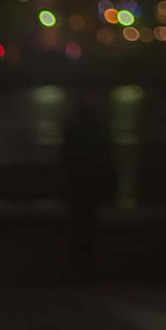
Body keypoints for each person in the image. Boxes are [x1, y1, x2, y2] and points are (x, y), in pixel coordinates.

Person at [61, 97, 117, 272]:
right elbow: (106, 159)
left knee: (77, 221)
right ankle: (86, 256)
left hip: (77, 184)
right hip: (91, 184)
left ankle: (79, 257)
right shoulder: (98, 135)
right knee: (89, 220)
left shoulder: (72, 134)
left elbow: (65, 158)